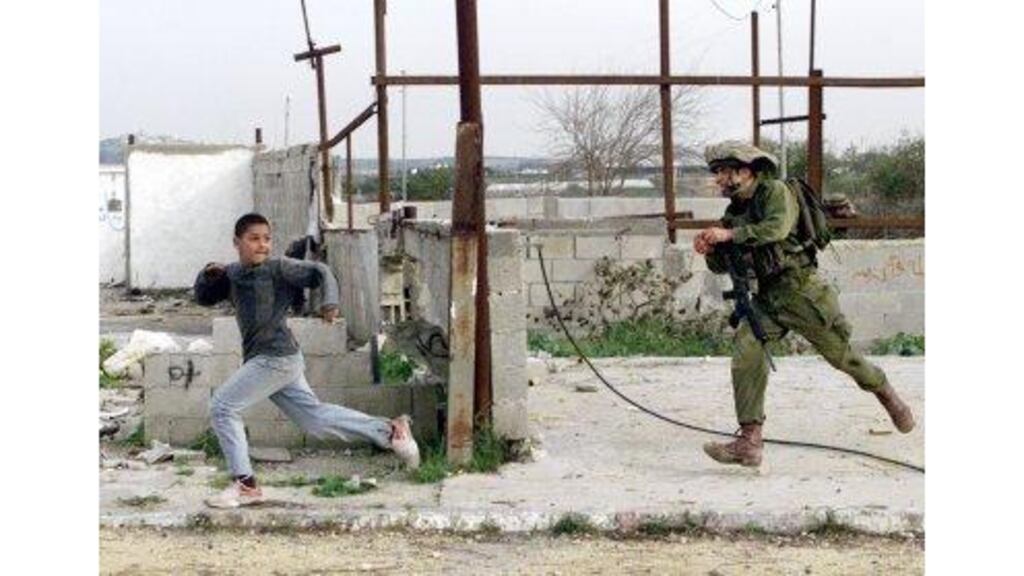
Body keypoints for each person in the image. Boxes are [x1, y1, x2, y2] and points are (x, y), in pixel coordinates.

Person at [693, 142, 915, 467]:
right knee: (746, 351)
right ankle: (749, 441)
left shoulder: (776, 192)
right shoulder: (735, 212)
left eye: (727, 171)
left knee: (843, 357)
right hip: (768, 297)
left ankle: (887, 395)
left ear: (748, 171)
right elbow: (724, 264)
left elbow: (776, 229)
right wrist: (711, 248)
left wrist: (728, 236)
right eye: (718, 173)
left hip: (802, 293)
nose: (721, 179)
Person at [194, 212, 420, 508]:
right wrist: (207, 275)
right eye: (253, 239)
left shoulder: (280, 268)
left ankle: (245, 486)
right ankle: (391, 431)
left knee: (223, 406)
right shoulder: (233, 273)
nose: (262, 245)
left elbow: (320, 271)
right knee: (314, 420)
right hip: (277, 360)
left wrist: (330, 303)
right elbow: (204, 298)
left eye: (267, 239)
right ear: (237, 242)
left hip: (275, 358)